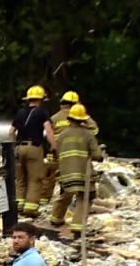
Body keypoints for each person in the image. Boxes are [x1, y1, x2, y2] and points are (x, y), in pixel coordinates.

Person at [49, 104, 103, 235]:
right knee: (85, 197)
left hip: (65, 173)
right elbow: (97, 155)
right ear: (83, 119)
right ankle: (78, 225)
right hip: (83, 173)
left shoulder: (61, 136)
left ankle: (55, 218)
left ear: (69, 119)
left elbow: (54, 153)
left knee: (66, 194)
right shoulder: (88, 134)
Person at [41, 91, 99, 203]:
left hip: (57, 151)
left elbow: (47, 134)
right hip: (76, 150)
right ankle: (74, 199)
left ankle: (46, 201)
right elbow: (94, 130)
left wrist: (54, 147)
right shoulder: (80, 117)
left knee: (52, 176)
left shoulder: (54, 118)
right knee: (75, 176)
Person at [9, 85, 57, 218]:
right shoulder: (42, 112)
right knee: (35, 179)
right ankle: (30, 208)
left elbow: (11, 132)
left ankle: (18, 205)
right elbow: (48, 130)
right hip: (34, 148)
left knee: (20, 179)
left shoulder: (20, 112)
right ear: (41, 99)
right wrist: (54, 146)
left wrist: (14, 147)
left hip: (19, 148)